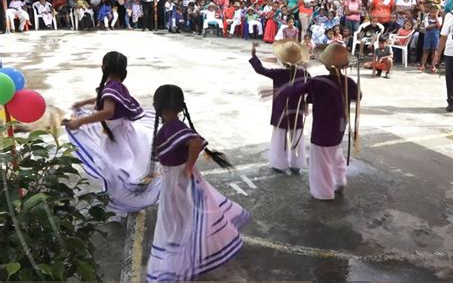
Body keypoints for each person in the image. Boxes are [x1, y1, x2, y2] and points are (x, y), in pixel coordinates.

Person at [146, 85, 250, 281]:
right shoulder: (172, 125)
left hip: (179, 180)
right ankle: (184, 253)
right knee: (180, 217)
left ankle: (182, 257)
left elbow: (194, 143)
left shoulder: (173, 127)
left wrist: (188, 167)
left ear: (158, 105)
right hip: (175, 179)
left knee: (177, 219)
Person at [65, 51, 160, 214]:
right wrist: (84, 102)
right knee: (122, 165)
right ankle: (120, 195)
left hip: (115, 134)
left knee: (116, 168)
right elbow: (102, 98)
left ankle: (120, 199)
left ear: (104, 66)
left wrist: (79, 122)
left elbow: (108, 111)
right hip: (120, 131)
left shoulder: (112, 87)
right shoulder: (117, 85)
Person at [278, 44, 360, 200]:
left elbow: (295, 90)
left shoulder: (319, 82)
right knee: (335, 151)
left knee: (321, 160)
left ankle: (324, 193)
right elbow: (358, 97)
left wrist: (281, 91)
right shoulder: (348, 82)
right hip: (341, 125)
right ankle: (340, 180)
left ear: (326, 65)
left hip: (323, 127)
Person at [249, 41, 309, 174]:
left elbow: (260, 69)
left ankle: (279, 163)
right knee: (296, 135)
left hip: (281, 109)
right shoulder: (304, 74)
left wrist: (254, 55)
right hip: (296, 109)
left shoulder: (279, 73)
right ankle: (296, 163)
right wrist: (305, 104)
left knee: (279, 135)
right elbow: (308, 91)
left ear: (283, 59)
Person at [420, 6, 442, 73]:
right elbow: (427, 27)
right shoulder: (427, 17)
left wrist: (436, 17)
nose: (433, 14)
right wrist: (435, 25)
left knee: (434, 51)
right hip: (428, 36)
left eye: (435, 12)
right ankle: (423, 65)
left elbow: (439, 25)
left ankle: (433, 65)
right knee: (426, 51)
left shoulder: (440, 18)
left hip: (435, 37)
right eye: (432, 12)